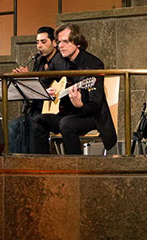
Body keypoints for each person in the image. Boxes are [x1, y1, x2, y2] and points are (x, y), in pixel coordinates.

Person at [32, 23, 116, 155]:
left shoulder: (93, 64)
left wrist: (82, 104)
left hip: (91, 116)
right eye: (59, 42)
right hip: (66, 114)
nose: (60, 46)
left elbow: (96, 103)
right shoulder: (59, 60)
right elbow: (43, 81)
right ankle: (43, 164)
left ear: (77, 43)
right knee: (38, 121)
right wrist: (45, 92)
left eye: (65, 42)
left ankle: (75, 166)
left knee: (66, 124)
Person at [8, 26, 67, 153]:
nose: (39, 46)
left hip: (53, 110)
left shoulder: (60, 61)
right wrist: (24, 80)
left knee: (27, 125)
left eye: (43, 42)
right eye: (37, 42)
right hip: (36, 108)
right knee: (13, 126)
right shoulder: (39, 61)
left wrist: (29, 77)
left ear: (54, 43)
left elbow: (59, 84)